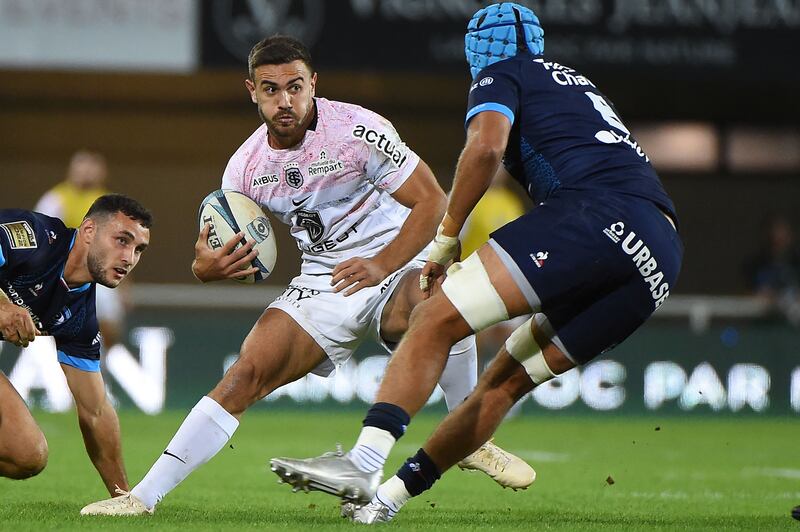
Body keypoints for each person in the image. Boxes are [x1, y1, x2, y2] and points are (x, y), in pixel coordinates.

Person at [80, 34, 532, 517]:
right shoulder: (245, 168)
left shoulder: (358, 129)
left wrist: (380, 264)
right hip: (324, 279)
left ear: (313, 84)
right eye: (271, 89)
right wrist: (207, 268)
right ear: (251, 91)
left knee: (441, 296)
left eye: (295, 87)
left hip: (398, 260)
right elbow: (206, 252)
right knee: (242, 377)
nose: (285, 101)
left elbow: (433, 202)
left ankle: (467, 436)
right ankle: (141, 499)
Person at [269, 3, 684, 523]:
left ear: (479, 49)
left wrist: (446, 238)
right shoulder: (575, 81)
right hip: (658, 258)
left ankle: (363, 463)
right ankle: (384, 503)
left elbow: (487, 147)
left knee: (436, 315)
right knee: (505, 381)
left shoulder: (502, 72)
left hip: (597, 215)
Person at [0, 195, 151, 494]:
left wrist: (124, 497)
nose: (129, 258)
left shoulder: (79, 317)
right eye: (122, 240)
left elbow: (95, 411)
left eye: (138, 250)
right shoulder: (35, 237)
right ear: (89, 231)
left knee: (27, 454)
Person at [35, 150, 129, 350]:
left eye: (92, 165)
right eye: (82, 165)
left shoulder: (107, 201)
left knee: (110, 330)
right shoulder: (56, 199)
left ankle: (97, 368)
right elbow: (39, 241)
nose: (87, 171)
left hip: (100, 274)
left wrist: (125, 286)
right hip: (65, 275)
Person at [743, 214, 800, 325]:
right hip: (765, 324)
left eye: (783, 235)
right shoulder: (754, 264)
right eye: (774, 235)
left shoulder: (796, 262)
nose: (778, 239)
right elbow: (747, 293)